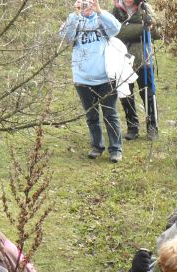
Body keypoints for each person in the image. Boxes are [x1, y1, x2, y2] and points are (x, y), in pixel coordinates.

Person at [60, 0, 124, 163]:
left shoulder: (102, 19)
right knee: (91, 116)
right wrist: (76, 14)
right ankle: (97, 146)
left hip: (106, 78)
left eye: (89, 2)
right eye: (83, 3)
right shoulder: (74, 20)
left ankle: (116, 149)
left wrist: (100, 11)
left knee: (111, 115)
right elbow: (64, 36)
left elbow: (116, 28)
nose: (86, 6)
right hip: (82, 79)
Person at [111, 0, 162, 140]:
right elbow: (115, 32)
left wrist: (150, 27)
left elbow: (158, 33)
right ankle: (132, 127)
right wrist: (140, 29)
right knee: (126, 95)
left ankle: (153, 127)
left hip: (144, 59)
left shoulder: (145, 8)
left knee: (149, 94)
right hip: (122, 60)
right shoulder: (116, 10)